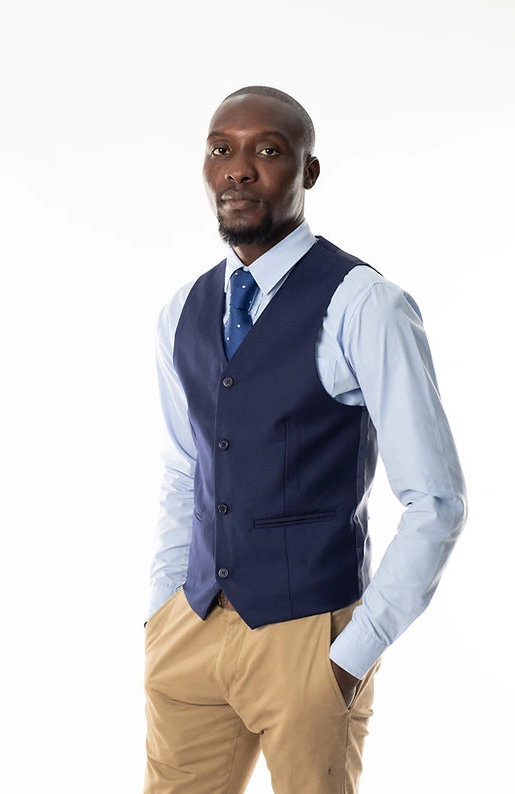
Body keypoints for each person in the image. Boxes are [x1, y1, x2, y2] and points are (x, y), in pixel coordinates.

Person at [143, 85, 467, 794]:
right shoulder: (182, 310)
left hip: (308, 638)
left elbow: (436, 500)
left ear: (307, 171)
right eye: (220, 150)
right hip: (190, 628)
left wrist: (352, 654)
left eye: (267, 150)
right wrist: (162, 610)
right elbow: (183, 469)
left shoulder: (363, 302)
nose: (238, 168)